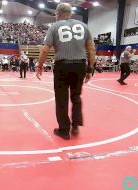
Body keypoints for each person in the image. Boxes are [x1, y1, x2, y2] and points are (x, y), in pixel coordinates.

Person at [36, 3, 95, 140]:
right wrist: (90, 69)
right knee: (76, 96)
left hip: (62, 66)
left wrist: (39, 67)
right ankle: (75, 125)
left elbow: (45, 50)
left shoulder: (54, 27)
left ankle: (64, 130)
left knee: (61, 98)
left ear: (57, 14)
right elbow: (91, 49)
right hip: (80, 65)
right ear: (70, 13)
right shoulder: (84, 26)